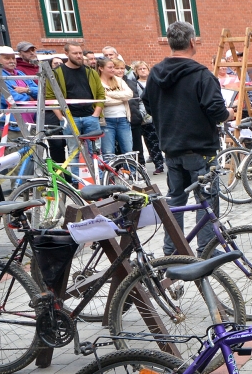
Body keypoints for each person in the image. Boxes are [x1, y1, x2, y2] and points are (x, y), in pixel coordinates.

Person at [143, 21, 229, 255]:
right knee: (206, 199)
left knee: (175, 200)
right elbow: (216, 110)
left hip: (171, 149)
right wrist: (228, 113)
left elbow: (147, 103)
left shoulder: (154, 73)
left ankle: (173, 250)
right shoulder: (201, 74)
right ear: (192, 42)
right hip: (200, 149)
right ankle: (207, 250)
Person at [49, 41, 105, 174]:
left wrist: (96, 113)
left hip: (90, 116)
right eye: (75, 53)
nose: (79, 56)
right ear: (66, 53)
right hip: (70, 117)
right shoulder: (57, 73)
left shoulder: (90, 72)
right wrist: (61, 117)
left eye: (80, 53)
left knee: (96, 151)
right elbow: (50, 97)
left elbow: (101, 93)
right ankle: (76, 182)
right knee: (73, 151)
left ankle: (100, 178)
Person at [0, 46, 37, 133]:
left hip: (30, 124)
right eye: (7, 58)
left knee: (35, 146)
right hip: (10, 127)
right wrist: (31, 98)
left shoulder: (20, 74)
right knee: (18, 147)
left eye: (13, 58)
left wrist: (27, 90)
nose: (12, 61)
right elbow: (9, 98)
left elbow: (40, 91)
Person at [127, 60, 164, 174]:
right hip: (141, 118)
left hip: (155, 116)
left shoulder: (154, 82)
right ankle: (142, 166)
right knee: (146, 142)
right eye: (140, 69)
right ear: (136, 71)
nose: (142, 71)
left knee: (155, 142)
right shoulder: (134, 83)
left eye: (144, 68)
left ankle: (159, 164)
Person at [97, 57, 135, 157]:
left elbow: (129, 94)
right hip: (106, 121)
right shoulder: (97, 82)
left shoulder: (118, 80)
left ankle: (130, 172)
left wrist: (109, 94)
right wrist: (121, 97)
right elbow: (104, 101)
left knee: (128, 151)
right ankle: (110, 173)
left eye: (114, 67)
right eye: (110, 67)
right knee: (108, 152)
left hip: (123, 119)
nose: (113, 69)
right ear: (101, 68)